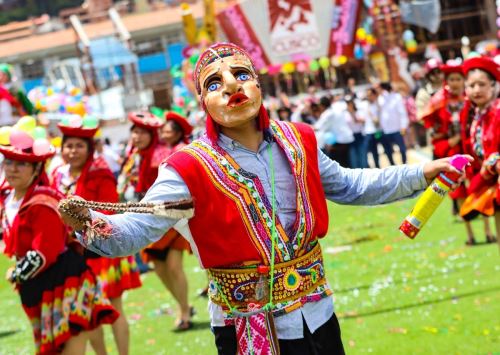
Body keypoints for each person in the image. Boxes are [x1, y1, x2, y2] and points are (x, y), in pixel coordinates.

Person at [60, 43, 469, 355]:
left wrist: (423, 170)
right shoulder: (187, 166)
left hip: (317, 314)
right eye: (215, 84)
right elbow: (135, 230)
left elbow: (351, 185)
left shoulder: (298, 140)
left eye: (241, 74)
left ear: (258, 83)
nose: (233, 86)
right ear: (203, 103)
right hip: (245, 326)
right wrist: (89, 223)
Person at [0, 126, 118, 355]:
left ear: (36, 169)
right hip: (38, 285)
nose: (13, 169)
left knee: (68, 347)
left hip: (64, 282)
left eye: (21, 163)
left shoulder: (43, 202)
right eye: (9, 162)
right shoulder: (8, 197)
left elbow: (46, 251)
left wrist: (16, 273)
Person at [51, 119, 141, 355]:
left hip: (102, 251)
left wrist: (81, 226)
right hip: (75, 256)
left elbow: (109, 213)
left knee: (114, 308)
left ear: (89, 148)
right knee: (88, 312)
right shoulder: (58, 176)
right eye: (68, 146)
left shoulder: (100, 173)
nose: (73, 151)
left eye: (79, 146)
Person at [422, 63, 488, 245]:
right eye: (452, 79)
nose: (456, 83)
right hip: (451, 153)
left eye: (459, 79)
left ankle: (488, 231)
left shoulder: (472, 100)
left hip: (471, 150)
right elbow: (435, 133)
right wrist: (452, 140)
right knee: (459, 193)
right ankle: (470, 235)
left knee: (479, 188)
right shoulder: (437, 102)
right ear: (446, 81)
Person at [143, 111, 195, 330]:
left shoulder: (182, 151)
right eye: (162, 129)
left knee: (174, 266)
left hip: (176, 216)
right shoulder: (150, 152)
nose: (164, 132)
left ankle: (184, 312)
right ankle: (184, 305)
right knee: (159, 267)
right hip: (153, 214)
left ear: (178, 133)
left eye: (168, 129)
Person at [459, 57, 499, 246]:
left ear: (493, 86)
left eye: (482, 84)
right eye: (472, 85)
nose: (477, 90)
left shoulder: (497, 112)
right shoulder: (475, 117)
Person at [314, 96, 354, 167]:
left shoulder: (327, 113)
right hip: (347, 138)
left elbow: (317, 127)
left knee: (341, 165)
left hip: (340, 141)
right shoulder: (336, 107)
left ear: (322, 106)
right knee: (347, 162)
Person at [377, 82, 409, 165]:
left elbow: (402, 113)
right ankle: (392, 165)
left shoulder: (396, 97)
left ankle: (404, 164)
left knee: (402, 149)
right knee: (388, 150)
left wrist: (403, 126)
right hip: (386, 129)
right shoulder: (380, 98)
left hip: (397, 128)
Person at [343, 95, 367, 168]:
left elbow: (363, 121)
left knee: (362, 155)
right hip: (350, 137)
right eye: (347, 103)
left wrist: (353, 114)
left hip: (359, 135)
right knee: (353, 157)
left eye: (350, 102)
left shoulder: (359, 111)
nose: (349, 104)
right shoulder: (344, 113)